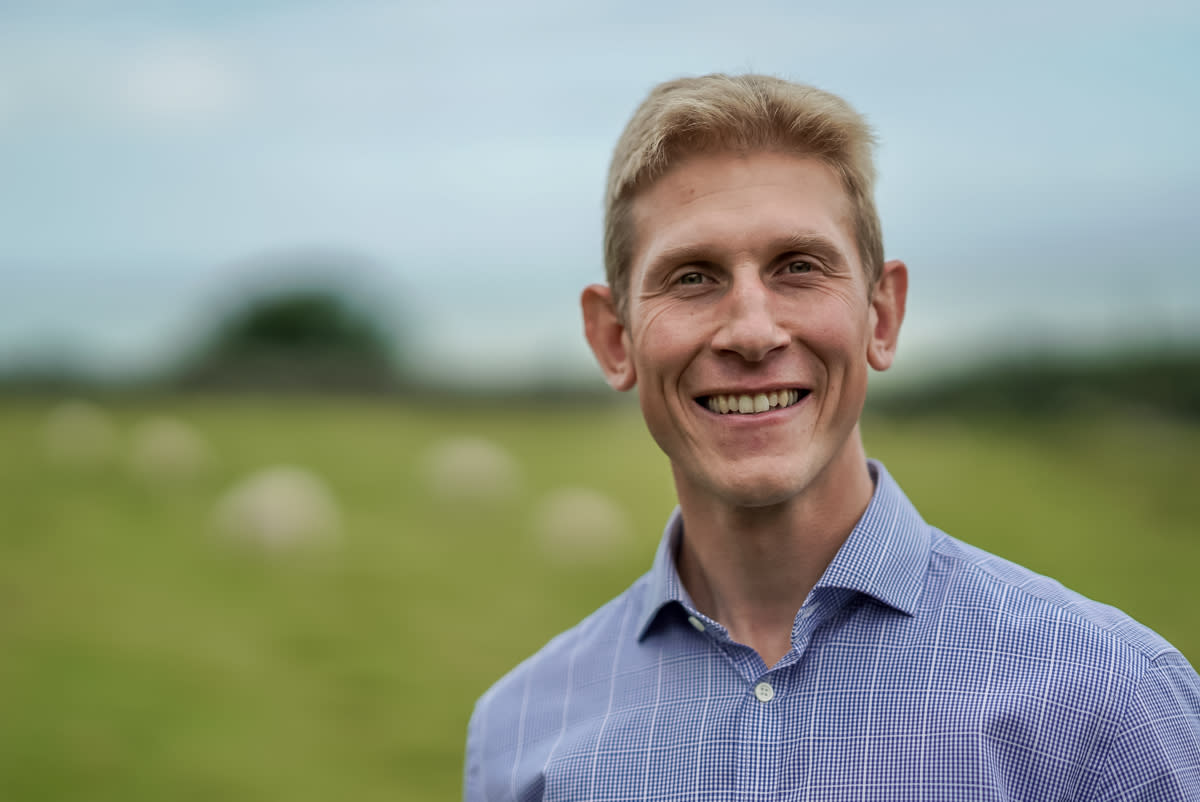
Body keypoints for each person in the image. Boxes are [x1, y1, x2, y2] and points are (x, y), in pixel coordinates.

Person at [463, 74, 1200, 800]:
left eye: (799, 267)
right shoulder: (522, 732)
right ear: (613, 338)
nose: (752, 331)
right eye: (692, 277)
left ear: (881, 316)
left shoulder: (1113, 701)